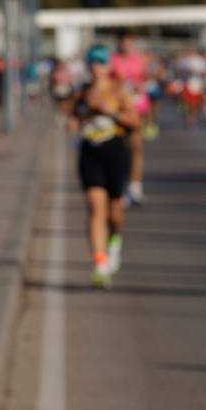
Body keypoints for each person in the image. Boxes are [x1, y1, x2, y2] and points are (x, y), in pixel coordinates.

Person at [69, 44, 141, 290]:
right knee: (95, 207)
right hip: (90, 153)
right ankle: (100, 264)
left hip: (115, 152)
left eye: (100, 62)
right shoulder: (82, 92)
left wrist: (109, 111)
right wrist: (78, 116)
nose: (96, 67)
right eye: (92, 62)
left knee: (114, 211)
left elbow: (135, 122)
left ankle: (115, 239)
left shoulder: (118, 91)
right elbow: (73, 118)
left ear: (108, 66)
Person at [109, 32, 151, 205]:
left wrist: (140, 84)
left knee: (136, 147)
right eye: (123, 42)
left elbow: (147, 78)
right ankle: (121, 187)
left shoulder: (139, 59)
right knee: (120, 149)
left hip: (137, 106)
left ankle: (135, 187)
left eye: (129, 42)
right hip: (118, 108)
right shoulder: (112, 60)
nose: (126, 45)